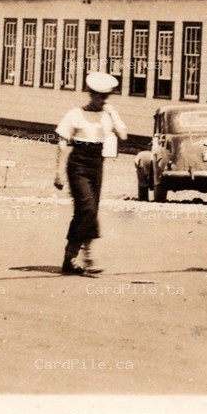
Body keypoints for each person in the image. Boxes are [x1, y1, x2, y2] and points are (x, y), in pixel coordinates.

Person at [53, 71, 128, 275]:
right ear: (90, 94)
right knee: (86, 207)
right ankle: (85, 255)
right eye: (98, 96)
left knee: (90, 210)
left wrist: (112, 114)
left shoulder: (107, 114)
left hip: (96, 163)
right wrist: (58, 172)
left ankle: (71, 257)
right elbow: (62, 142)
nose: (101, 100)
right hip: (78, 163)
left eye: (105, 97)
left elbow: (123, 134)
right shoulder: (75, 114)